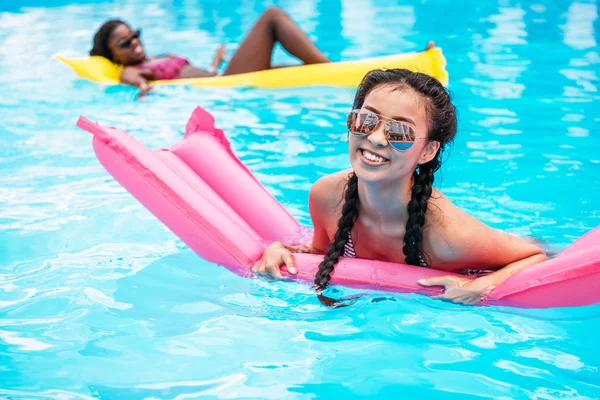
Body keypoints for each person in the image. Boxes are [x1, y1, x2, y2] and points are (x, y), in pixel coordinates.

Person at [253, 68, 547, 305]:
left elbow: (535, 257)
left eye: (400, 131)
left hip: (492, 255)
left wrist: (481, 285)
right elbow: (321, 251)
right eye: (366, 120)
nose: (377, 138)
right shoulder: (327, 196)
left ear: (428, 151)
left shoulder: (447, 234)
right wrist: (281, 250)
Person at [89, 7, 330, 96]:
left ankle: (327, 67)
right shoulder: (128, 70)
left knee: (303, 69)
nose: (134, 42)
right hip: (226, 84)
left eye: (134, 35)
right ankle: (329, 67)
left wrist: (215, 64)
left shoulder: (154, 57)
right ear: (113, 56)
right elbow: (139, 85)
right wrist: (143, 91)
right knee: (271, 17)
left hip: (219, 76)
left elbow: (194, 74)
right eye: (124, 43)